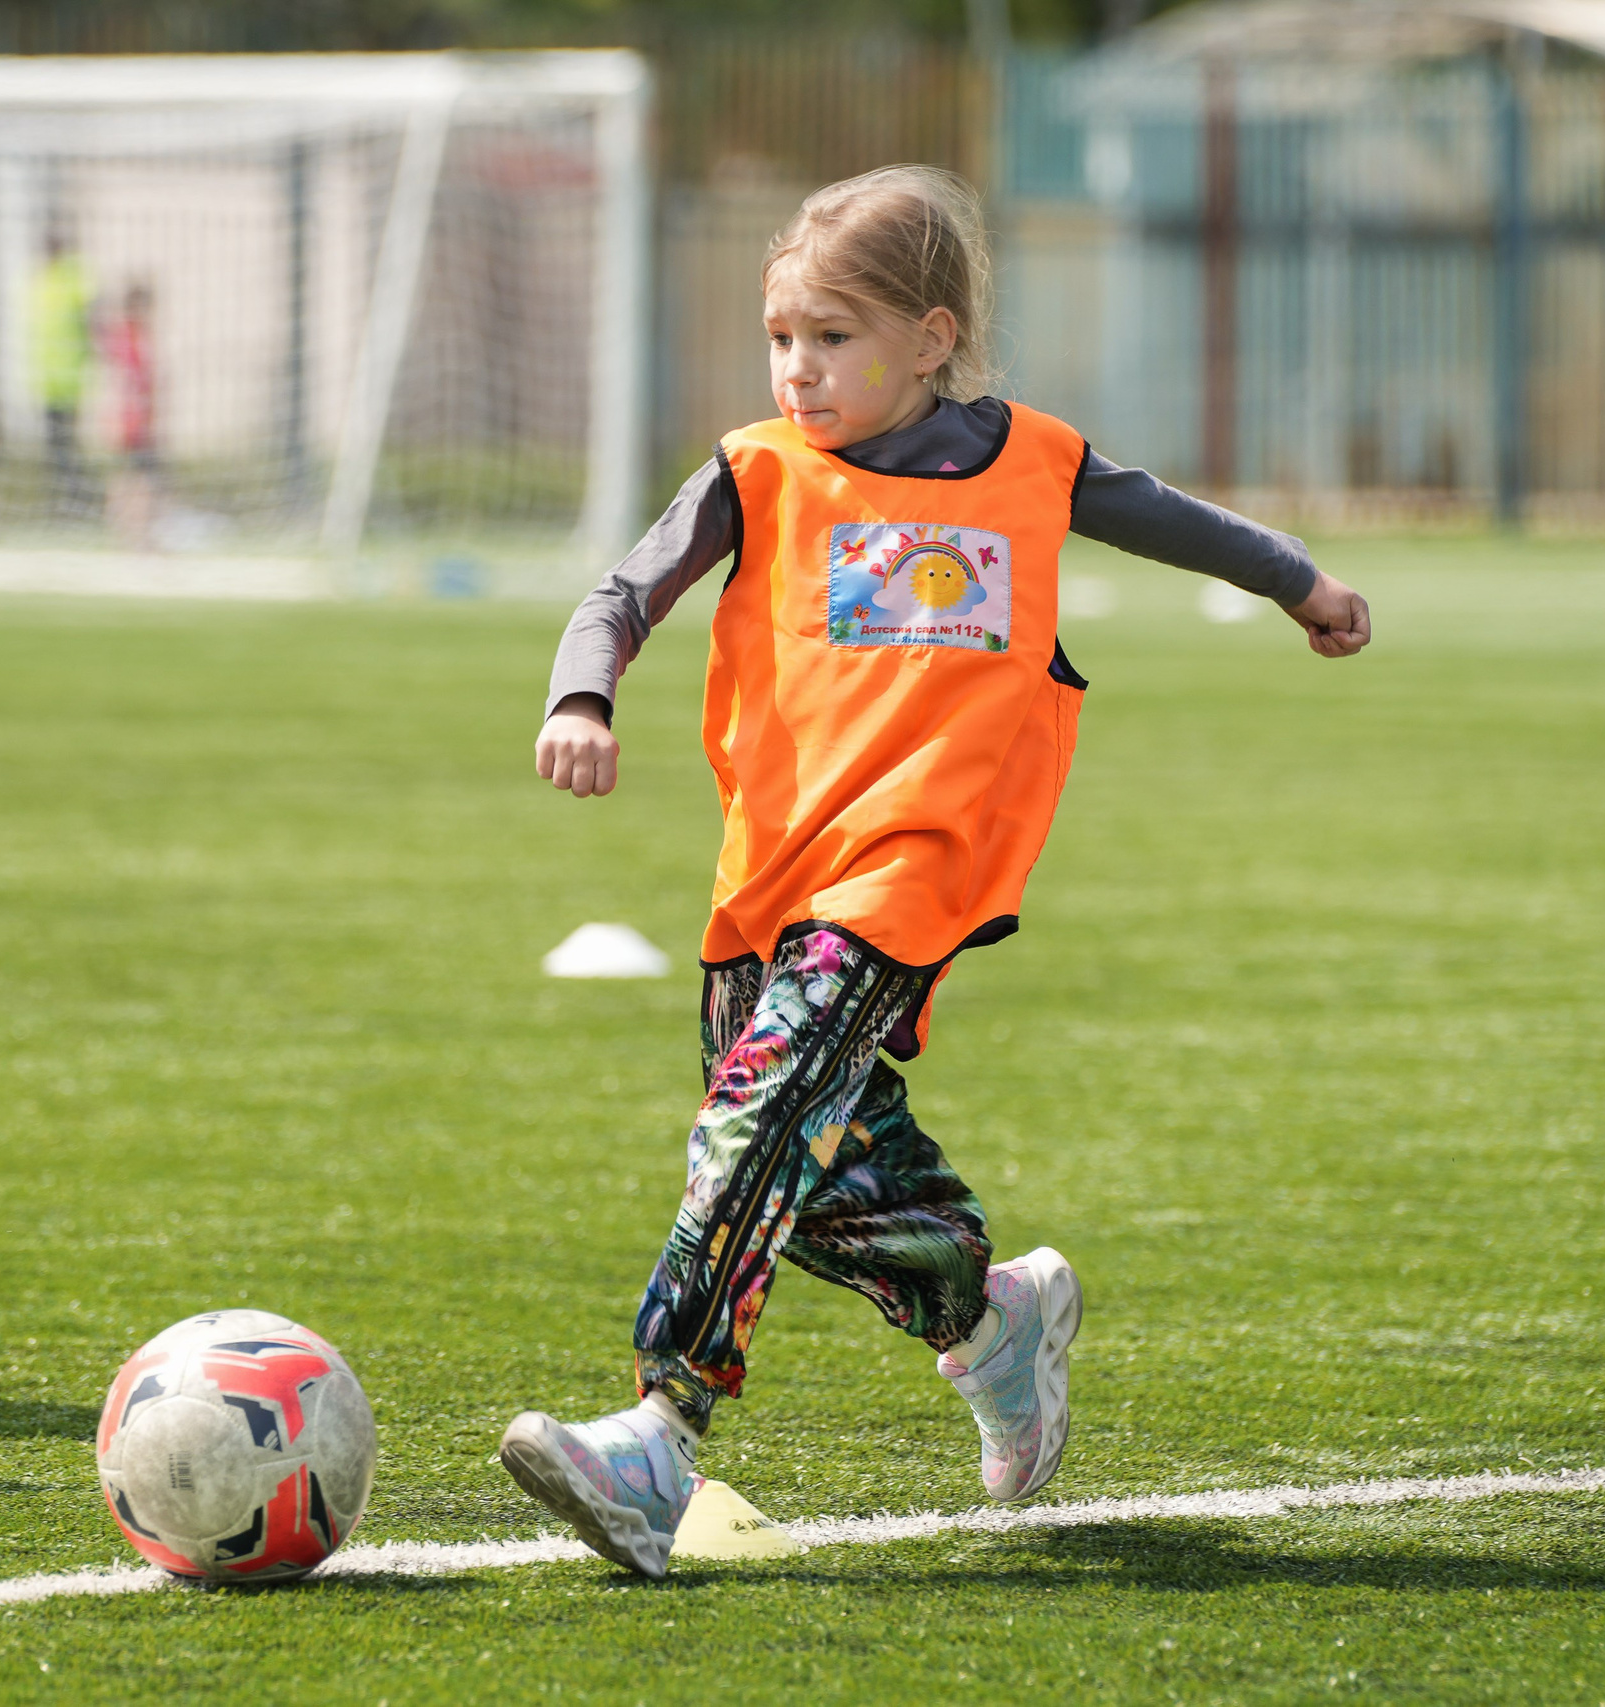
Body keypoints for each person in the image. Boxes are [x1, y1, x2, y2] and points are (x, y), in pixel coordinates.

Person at [497, 167, 1371, 1579]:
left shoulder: (1035, 460)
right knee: (818, 1173)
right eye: (782, 337)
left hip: (910, 873)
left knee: (756, 1120)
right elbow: (621, 591)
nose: (798, 368)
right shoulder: (755, 469)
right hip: (769, 877)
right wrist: (580, 697)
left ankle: (659, 1432)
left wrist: (1301, 581)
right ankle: (991, 1320)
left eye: (831, 338)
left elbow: (1175, 519)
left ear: (931, 337)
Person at [30, 228, 95, 516]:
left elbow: (92, 321)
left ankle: (78, 500)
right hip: (46, 379)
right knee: (56, 448)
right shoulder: (38, 280)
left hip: (69, 378)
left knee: (68, 446)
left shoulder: (75, 280)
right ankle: (66, 499)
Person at [101, 280, 161, 549]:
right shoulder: (128, 337)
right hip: (132, 419)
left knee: (134, 474)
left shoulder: (133, 335)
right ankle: (135, 533)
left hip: (136, 416)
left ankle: (131, 531)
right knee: (139, 476)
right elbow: (130, 379)